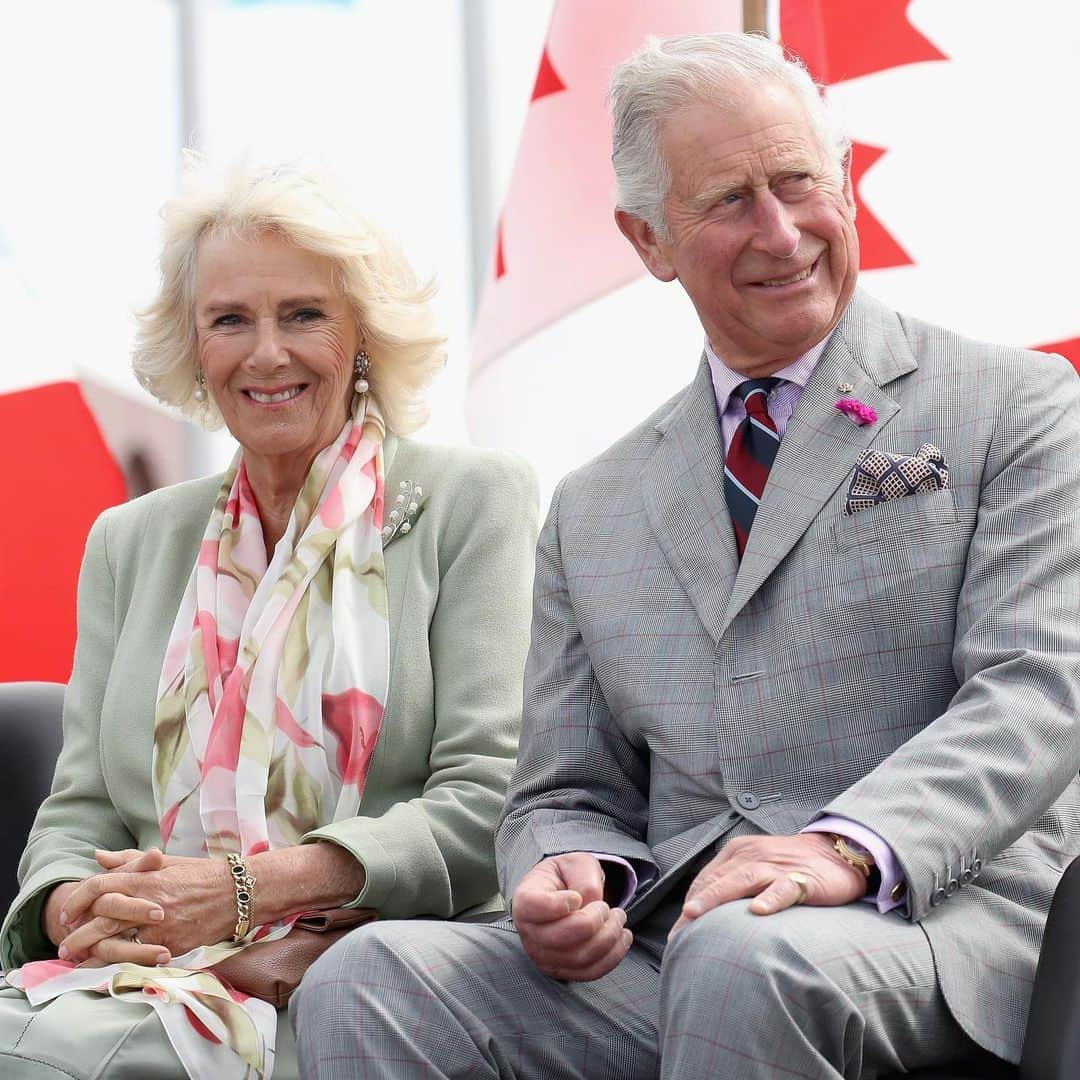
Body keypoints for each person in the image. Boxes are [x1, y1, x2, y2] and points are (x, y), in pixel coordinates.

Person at [291, 32, 1080, 1079]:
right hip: (672, 941)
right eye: (730, 202)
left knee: (741, 960)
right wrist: (571, 875)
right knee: (368, 977)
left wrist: (843, 848)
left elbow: (1038, 690)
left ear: (841, 182)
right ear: (648, 238)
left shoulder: (1017, 406)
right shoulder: (594, 505)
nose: (783, 230)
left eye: (800, 181)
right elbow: (562, 788)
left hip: (936, 918)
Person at [0, 159, 539, 1079]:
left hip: (355, 971)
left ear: (363, 334)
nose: (265, 353)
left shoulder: (472, 500)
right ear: (193, 348)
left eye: (303, 314)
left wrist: (240, 893)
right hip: (136, 973)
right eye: (229, 320)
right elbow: (76, 808)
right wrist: (72, 908)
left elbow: (491, 801)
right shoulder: (131, 540)